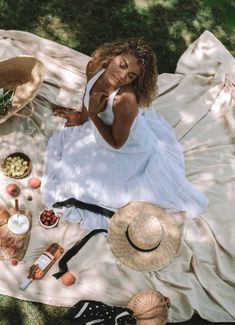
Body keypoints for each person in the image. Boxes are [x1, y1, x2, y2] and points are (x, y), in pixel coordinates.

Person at [41, 39, 208, 230]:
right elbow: (89, 94)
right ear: (113, 56)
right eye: (122, 65)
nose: (122, 76)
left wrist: (94, 115)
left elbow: (117, 142)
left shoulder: (125, 100)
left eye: (131, 76)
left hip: (126, 147)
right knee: (68, 168)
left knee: (87, 187)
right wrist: (82, 117)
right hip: (100, 135)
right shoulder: (94, 66)